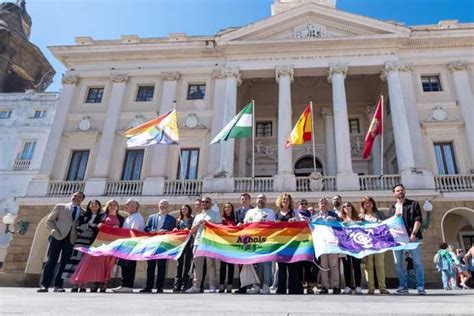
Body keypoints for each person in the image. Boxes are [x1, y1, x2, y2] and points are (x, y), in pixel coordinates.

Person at [70, 199, 125, 292]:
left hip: (112, 245)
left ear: (117, 207)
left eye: (114, 204)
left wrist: (117, 230)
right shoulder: (102, 216)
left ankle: (103, 284)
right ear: (107, 206)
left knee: (107, 265)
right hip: (99, 243)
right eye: (110, 204)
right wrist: (99, 226)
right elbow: (94, 226)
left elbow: (123, 231)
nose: (112, 206)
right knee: (93, 263)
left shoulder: (121, 218)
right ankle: (90, 283)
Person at [38, 191, 85, 293]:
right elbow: (49, 220)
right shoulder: (60, 207)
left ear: (82, 200)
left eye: (79, 197)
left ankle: (58, 285)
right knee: (51, 261)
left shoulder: (83, 212)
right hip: (57, 237)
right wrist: (53, 231)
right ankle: (44, 285)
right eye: (74, 196)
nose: (76, 198)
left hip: (71, 239)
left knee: (64, 263)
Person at [389, 184, 426, 295]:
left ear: (404, 191)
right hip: (398, 239)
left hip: (412, 237)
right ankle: (403, 286)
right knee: (398, 263)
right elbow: (390, 224)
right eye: (397, 191)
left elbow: (418, 219)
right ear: (394, 194)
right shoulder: (392, 208)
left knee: (417, 262)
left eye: (401, 190)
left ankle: (420, 286)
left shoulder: (413, 204)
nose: (400, 192)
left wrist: (414, 233)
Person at [63, 200, 103, 292]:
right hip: (81, 240)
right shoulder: (83, 215)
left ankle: (83, 285)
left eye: (96, 204)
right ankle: (75, 284)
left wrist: (96, 226)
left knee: (87, 264)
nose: (94, 205)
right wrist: (89, 225)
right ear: (89, 206)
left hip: (93, 242)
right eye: (92, 204)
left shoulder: (101, 217)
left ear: (99, 206)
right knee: (77, 262)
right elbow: (77, 226)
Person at [186, 197, 222, 293]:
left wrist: (209, 224)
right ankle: (196, 286)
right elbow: (192, 231)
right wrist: (198, 224)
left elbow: (220, 227)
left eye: (207, 202)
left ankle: (212, 285)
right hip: (198, 242)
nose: (205, 203)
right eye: (203, 202)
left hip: (210, 242)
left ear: (210, 203)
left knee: (211, 264)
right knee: (197, 265)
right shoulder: (197, 216)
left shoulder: (215, 214)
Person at [141, 199, 176, 293]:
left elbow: (173, 232)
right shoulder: (152, 217)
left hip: (163, 245)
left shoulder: (171, 219)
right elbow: (146, 228)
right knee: (150, 267)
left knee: (162, 266)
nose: (163, 206)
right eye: (161, 204)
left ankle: (159, 287)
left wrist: (166, 231)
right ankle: (148, 287)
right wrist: (150, 230)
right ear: (158, 205)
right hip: (152, 244)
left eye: (165, 204)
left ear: (167, 206)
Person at [243, 194, 276, 294]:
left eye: (263, 199)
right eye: (259, 198)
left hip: (266, 241)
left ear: (266, 201)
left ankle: (266, 285)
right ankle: (256, 285)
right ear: (256, 200)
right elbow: (245, 225)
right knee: (255, 264)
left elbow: (274, 226)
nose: (261, 200)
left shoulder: (270, 212)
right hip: (253, 241)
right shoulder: (250, 212)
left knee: (266, 264)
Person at [113, 199, 145, 293]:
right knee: (124, 265)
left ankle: (128, 285)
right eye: (127, 205)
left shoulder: (137, 217)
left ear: (136, 207)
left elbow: (133, 231)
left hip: (131, 244)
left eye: (130, 205)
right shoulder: (129, 217)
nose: (127, 206)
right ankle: (124, 284)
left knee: (129, 266)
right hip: (126, 244)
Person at [360, 196, 390, 295]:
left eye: (370, 202)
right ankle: (371, 287)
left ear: (373, 203)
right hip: (367, 243)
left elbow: (388, 223)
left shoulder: (380, 214)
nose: (368, 204)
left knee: (380, 265)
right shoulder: (361, 216)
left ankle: (382, 287)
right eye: (365, 203)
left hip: (379, 243)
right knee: (369, 266)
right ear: (363, 205)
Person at [275, 193, 304, 295]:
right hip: (280, 244)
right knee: (281, 268)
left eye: (287, 199)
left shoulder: (294, 213)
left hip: (292, 244)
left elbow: (302, 224)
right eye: (283, 199)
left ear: (290, 201)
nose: (285, 201)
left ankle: (294, 289)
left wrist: (295, 222)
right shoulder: (276, 214)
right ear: (280, 201)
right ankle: (281, 289)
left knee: (293, 267)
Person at [313, 197, 340, 295]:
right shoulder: (315, 216)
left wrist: (334, 221)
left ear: (328, 205)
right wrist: (314, 221)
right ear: (318, 205)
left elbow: (340, 227)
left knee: (334, 266)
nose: (323, 204)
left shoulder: (334, 215)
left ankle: (336, 286)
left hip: (332, 243)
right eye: (321, 203)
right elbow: (312, 229)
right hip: (322, 244)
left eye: (325, 203)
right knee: (323, 266)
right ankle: (324, 286)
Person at [340, 202, 363, 295]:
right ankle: (347, 286)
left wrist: (359, 224)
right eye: (344, 206)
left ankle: (358, 286)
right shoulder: (340, 220)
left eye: (348, 205)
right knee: (346, 266)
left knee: (356, 265)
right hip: (345, 246)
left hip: (356, 246)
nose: (346, 207)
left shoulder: (359, 219)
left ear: (352, 207)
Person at [296, 198, 316, 294]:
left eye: (305, 203)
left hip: (309, 242)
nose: (303, 205)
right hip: (299, 243)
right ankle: (299, 285)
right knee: (299, 265)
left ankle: (309, 286)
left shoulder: (311, 215)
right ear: (298, 204)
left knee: (309, 266)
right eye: (301, 203)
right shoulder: (296, 214)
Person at [173, 204, 194, 293]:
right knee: (179, 264)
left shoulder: (192, 219)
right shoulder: (178, 220)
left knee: (187, 264)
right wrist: (175, 228)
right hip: (180, 243)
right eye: (182, 209)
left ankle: (184, 284)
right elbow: (176, 228)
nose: (183, 210)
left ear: (189, 210)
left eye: (185, 209)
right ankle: (176, 285)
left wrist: (188, 229)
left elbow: (193, 229)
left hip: (189, 243)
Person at [219, 202, 236, 293]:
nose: (227, 209)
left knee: (231, 266)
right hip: (223, 245)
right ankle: (221, 286)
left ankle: (230, 286)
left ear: (232, 209)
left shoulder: (235, 219)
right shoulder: (221, 220)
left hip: (232, 246)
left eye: (229, 207)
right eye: (225, 207)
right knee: (222, 266)